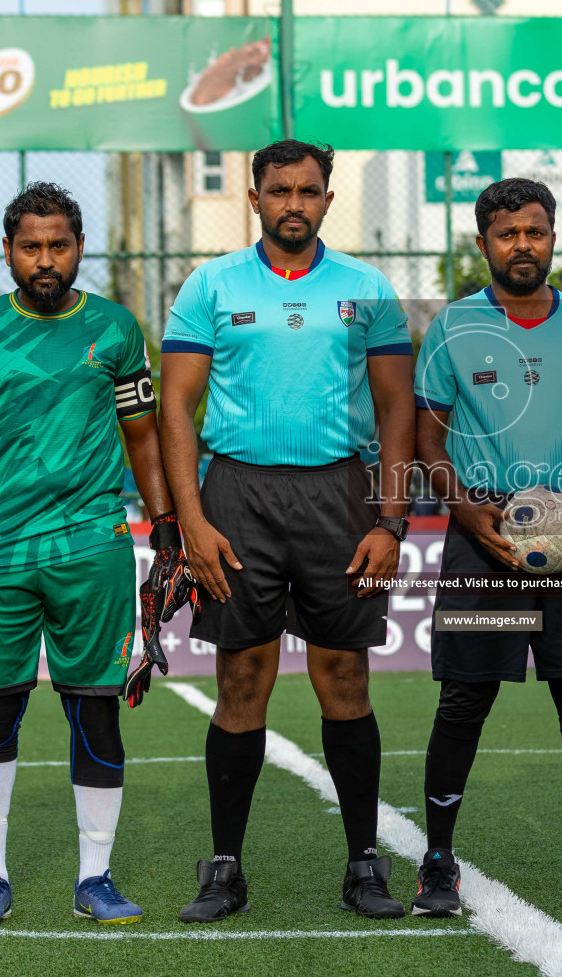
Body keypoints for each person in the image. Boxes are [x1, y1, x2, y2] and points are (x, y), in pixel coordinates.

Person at [158, 140, 415, 922]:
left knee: (345, 680)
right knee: (242, 682)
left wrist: (392, 522)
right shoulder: (210, 285)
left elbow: (398, 407)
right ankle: (226, 868)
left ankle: (364, 866)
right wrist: (192, 521)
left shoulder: (368, 290)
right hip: (237, 496)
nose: (293, 203)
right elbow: (175, 407)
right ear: (255, 197)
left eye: (308, 191)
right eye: (279, 191)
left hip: (340, 497)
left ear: (328, 199)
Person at [0, 182, 178, 930]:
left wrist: (165, 529)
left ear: (79, 248)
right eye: (30, 245)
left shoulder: (118, 329)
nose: (45, 259)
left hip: (91, 545)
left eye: (58, 244)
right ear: (7, 252)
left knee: (95, 713)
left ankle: (95, 878)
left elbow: (143, 436)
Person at [411, 178, 562, 917]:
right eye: (508, 235)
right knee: (466, 697)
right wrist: (472, 519)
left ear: (552, 236)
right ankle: (437, 862)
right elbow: (427, 437)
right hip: (487, 550)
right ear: (484, 244)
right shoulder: (452, 328)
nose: (523, 245)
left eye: (535, 231)